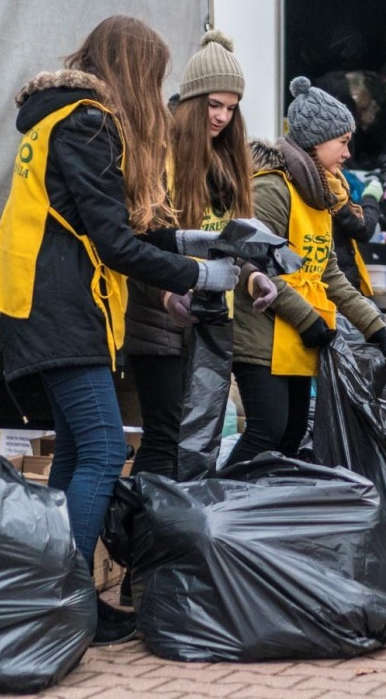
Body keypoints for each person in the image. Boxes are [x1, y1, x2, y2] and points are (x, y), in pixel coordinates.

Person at [0, 15, 242, 644]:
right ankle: (64, 603)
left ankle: (62, 600)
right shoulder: (90, 122)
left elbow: (110, 222)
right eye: (152, 78)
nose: (156, 96)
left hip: (44, 306)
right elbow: (114, 241)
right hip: (62, 311)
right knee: (102, 450)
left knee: (76, 452)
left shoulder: (57, 117)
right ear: (129, 70)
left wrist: (191, 239)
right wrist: (201, 276)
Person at [123, 30, 278, 481]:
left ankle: (177, 536)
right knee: (165, 434)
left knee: (200, 441)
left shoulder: (228, 162)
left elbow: (231, 242)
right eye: (214, 105)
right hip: (160, 318)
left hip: (211, 314)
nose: (222, 117)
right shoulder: (158, 155)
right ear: (192, 100)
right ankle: (143, 539)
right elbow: (137, 244)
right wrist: (167, 295)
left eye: (231, 108)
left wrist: (253, 278)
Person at [227, 77, 386, 467]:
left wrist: (373, 323)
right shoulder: (273, 189)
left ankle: (265, 512)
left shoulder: (318, 195)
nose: (348, 153)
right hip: (262, 337)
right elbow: (254, 262)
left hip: (297, 336)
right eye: (342, 142)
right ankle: (219, 505)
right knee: (267, 429)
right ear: (317, 143)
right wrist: (308, 318)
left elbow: (327, 271)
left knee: (292, 432)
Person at [331, 170, 385, 296]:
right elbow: (364, 229)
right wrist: (371, 198)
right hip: (340, 285)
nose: (346, 154)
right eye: (341, 148)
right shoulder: (330, 191)